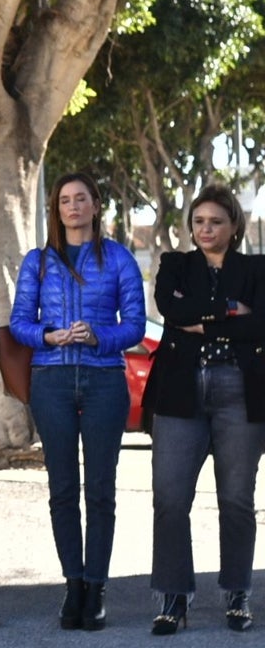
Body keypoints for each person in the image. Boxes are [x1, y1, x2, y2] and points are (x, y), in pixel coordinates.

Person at [9, 172, 146, 631]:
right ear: (56, 208)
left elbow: (134, 325)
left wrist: (98, 335)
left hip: (105, 379)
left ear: (95, 205)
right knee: (62, 489)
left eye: (80, 198)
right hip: (50, 379)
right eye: (65, 200)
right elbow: (19, 324)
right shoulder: (38, 262)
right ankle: (73, 585)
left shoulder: (120, 259)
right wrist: (49, 335)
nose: (73, 207)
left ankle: (97, 586)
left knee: (101, 490)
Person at [143, 183, 265, 635]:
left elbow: (263, 321)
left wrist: (204, 319)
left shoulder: (257, 269)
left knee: (236, 501)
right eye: (198, 222)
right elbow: (171, 313)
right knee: (170, 499)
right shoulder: (175, 265)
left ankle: (237, 593)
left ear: (234, 226)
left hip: (240, 391)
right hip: (180, 393)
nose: (205, 229)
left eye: (215, 221)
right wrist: (232, 311)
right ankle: (173, 597)